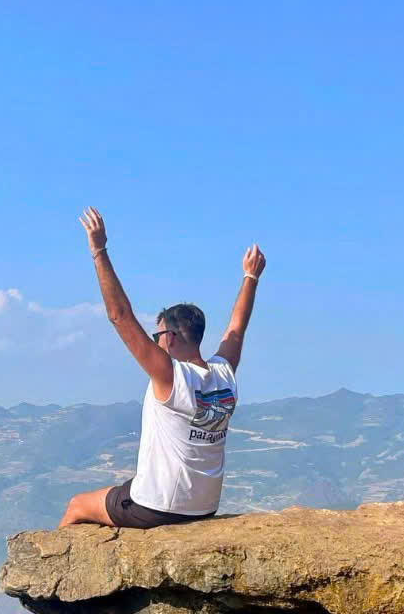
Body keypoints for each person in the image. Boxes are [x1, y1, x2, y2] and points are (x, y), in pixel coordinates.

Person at [58, 206, 265, 529]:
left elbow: (120, 316)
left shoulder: (171, 375)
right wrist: (250, 277)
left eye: (157, 335)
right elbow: (236, 330)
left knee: (76, 506)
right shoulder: (224, 375)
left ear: (168, 337)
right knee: (122, 488)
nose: (155, 343)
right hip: (204, 505)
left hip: (158, 507)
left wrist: (99, 251)